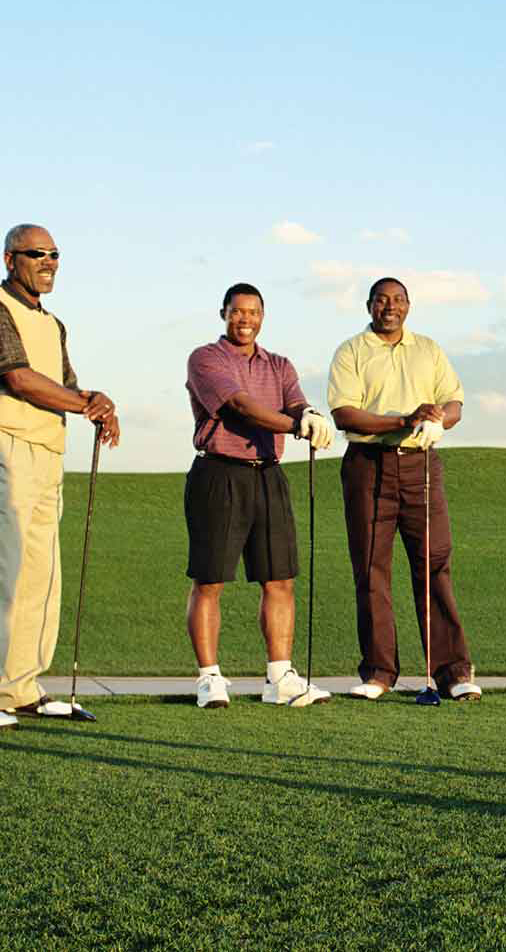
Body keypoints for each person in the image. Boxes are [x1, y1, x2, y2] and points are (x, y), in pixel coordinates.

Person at [0, 224, 120, 729]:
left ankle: (18, 687)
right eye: (36, 253)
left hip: (44, 451)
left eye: (55, 254)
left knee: (40, 575)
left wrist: (95, 403)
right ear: (9, 258)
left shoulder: (54, 323)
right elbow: (16, 376)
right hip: (0, 445)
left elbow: (64, 385)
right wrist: (88, 403)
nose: (48, 261)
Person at [326, 277, 481, 702]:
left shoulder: (428, 349)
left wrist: (438, 420)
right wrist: (403, 419)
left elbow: (454, 403)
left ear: (408, 305)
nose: (389, 307)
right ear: (369, 306)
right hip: (368, 466)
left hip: (420, 464)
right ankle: (378, 672)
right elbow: (344, 414)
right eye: (381, 300)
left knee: (433, 563)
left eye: (397, 300)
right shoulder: (351, 352)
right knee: (372, 570)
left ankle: (452, 672)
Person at [184, 283, 337, 708]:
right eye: (237, 312)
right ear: (224, 313)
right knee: (210, 579)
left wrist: (308, 415)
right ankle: (209, 678)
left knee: (279, 578)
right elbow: (240, 407)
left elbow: (295, 403)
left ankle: (279, 678)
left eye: (252, 312)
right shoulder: (206, 358)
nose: (244, 319)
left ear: (262, 317)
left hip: (268, 475)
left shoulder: (281, 365)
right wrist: (293, 426)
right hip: (219, 473)